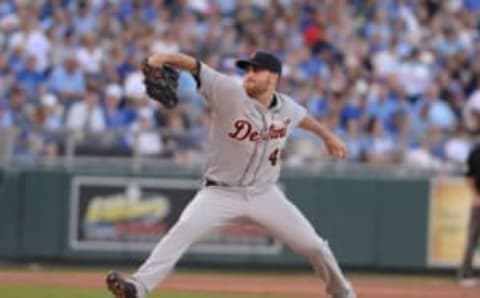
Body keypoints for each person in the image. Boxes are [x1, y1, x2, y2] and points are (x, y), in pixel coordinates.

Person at [106, 51, 356, 298]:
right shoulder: (229, 92)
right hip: (220, 193)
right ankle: (137, 288)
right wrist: (160, 59)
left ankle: (342, 293)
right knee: (181, 232)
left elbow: (304, 118)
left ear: (273, 78)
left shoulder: (287, 107)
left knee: (314, 246)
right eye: (247, 69)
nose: (249, 75)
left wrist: (328, 137)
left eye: (256, 70)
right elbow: (195, 66)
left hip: (264, 194)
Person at [459, 144, 480, 286]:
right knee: (472, 237)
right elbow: (469, 175)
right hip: (479, 201)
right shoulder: (476, 152)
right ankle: (465, 274)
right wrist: (476, 195)